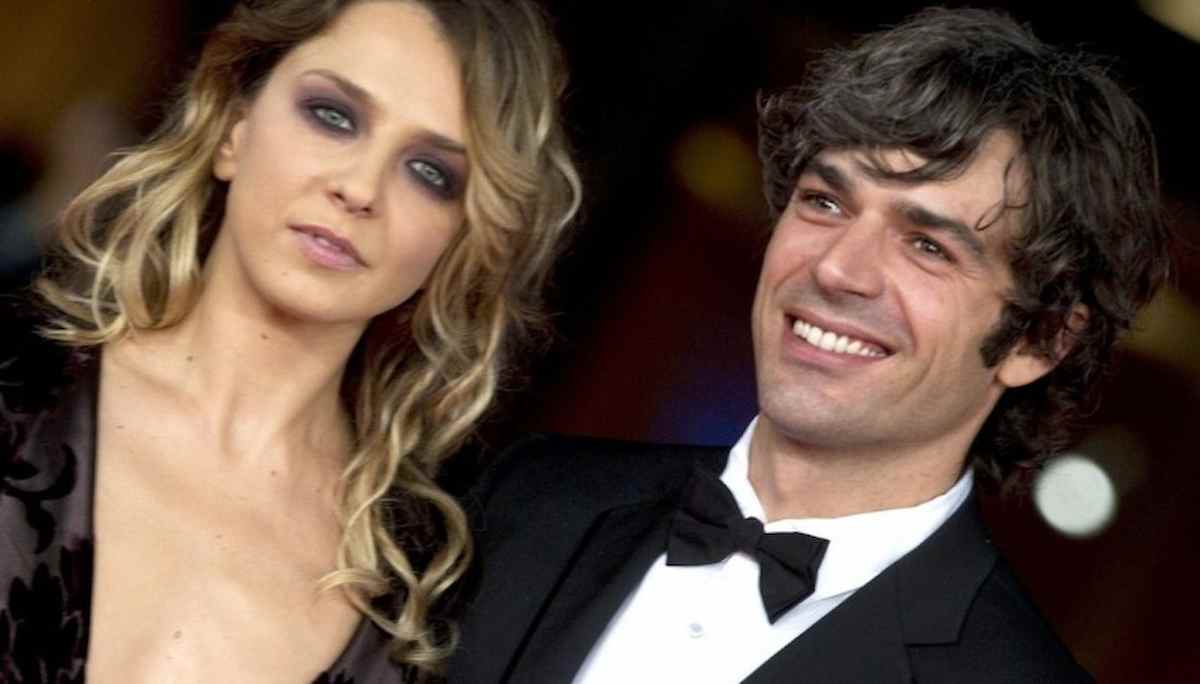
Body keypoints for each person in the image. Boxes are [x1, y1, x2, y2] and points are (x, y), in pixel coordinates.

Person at [450, 7, 1171, 684]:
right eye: (825, 202)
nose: (837, 269)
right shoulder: (528, 496)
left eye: (927, 245)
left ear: (1041, 339)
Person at [0, 0, 579, 681]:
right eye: (333, 116)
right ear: (232, 127)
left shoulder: (424, 597)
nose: (360, 188)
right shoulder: (13, 380)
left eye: (430, 173)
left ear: (462, 240)